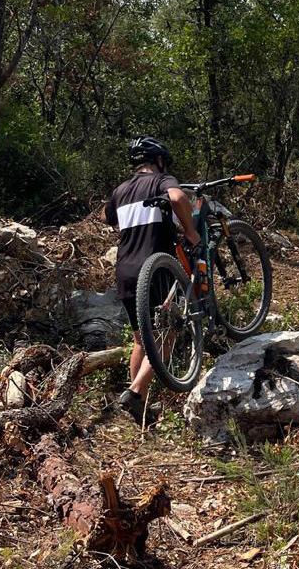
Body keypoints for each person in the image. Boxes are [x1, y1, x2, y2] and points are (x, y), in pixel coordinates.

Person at [102, 136, 200, 425]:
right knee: (167, 333)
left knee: (140, 341)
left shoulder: (120, 190)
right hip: (156, 269)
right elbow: (179, 198)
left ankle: (140, 410)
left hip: (125, 271)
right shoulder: (161, 180)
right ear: (157, 160)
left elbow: (106, 216)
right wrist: (191, 233)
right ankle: (134, 393)